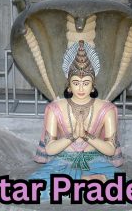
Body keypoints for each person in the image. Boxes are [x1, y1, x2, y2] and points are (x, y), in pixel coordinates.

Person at [29, 40, 123, 200]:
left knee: (124, 188)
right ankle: (88, 183)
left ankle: (76, 184)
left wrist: (86, 136)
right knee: (33, 188)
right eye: (76, 83)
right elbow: (50, 149)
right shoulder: (54, 108)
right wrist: (72, 136)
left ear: (93, 85)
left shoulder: (106, 109)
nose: (80, 88)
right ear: (69, 85)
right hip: (62, 161)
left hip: (95, 161)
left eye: (86, 83)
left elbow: (110, 150)